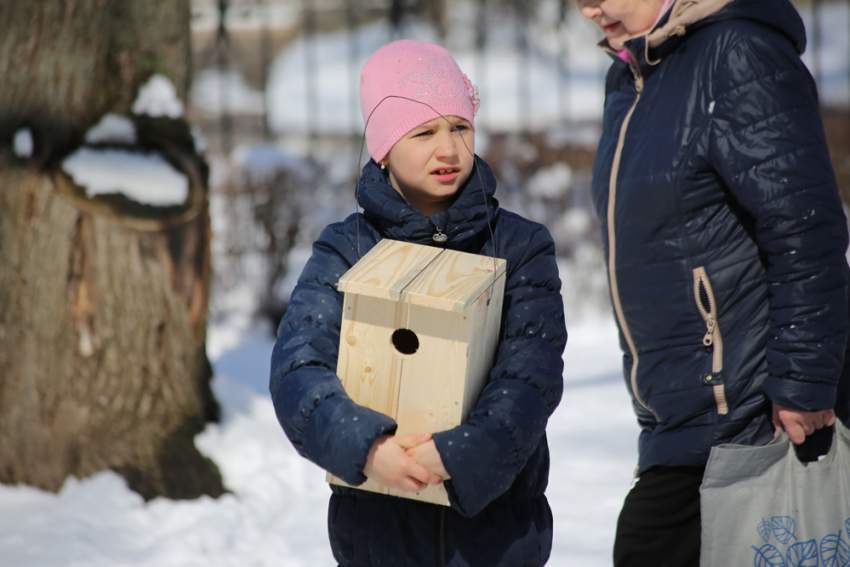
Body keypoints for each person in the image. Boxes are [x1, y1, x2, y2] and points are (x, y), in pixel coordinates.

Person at [269, 39, 567, 567]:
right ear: (383, 147)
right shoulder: (348, 248)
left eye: (460, 127)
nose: (448, 149)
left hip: (495, 536)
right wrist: (364, 448)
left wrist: (462, 452)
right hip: (378, 532)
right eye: (423, 132)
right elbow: (299, 366)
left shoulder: (519, 247)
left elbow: (530, 374)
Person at [574, 0, 850, 564]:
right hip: (677, 415)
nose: (588, 7)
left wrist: (804, 378)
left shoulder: (737, 54)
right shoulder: (632, 79)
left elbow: (804, 224)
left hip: (752, 413)